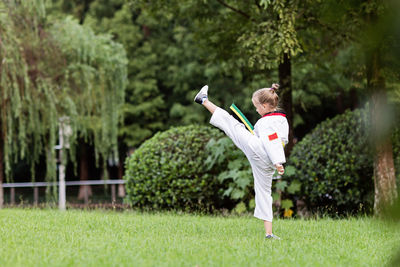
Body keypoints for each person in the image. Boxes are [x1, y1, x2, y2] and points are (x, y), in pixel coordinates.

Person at [194, 84, 289, 240]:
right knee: (264, 193)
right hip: (267, 161)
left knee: (232, 125)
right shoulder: (280, 120)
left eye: (257, 107)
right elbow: (278, 140)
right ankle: (269, 234)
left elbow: (272, 140)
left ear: (265, 105)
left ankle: (203, 100)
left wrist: (278, 161)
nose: (256, 110)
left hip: (261, 152)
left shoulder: (266, 123)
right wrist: (276, 161)